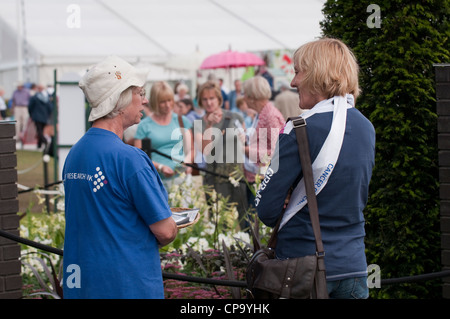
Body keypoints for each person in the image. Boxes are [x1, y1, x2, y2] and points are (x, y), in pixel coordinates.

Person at [255, 38, 375, 299]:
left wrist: (287, 198)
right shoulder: (367, 127)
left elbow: (265, 209)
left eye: (298, 71)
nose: (293, 82)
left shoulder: (298, 128)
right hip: (353, 267)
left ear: (317, 74)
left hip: (303, 271)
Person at [62, 56, 178, 299]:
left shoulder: (75, 153)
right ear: (121, 99)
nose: (145, 99)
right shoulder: (130, 159)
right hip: (127, 284)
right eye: (139, 92)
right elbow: (165, 231)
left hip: (84, 284)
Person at [195, 81, 247, 227]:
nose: (209, 102)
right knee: (220, 221)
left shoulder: (235, 117)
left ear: (219, 98)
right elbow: (205, 150)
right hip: (215, 176)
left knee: (244, 218)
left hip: (237, 173)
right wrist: (210, 126)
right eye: (205, 99)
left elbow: (245, 142)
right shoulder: (199, 123)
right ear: (200, 101)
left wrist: (244, 138)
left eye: (212, 98)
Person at [134, 81, 194, 191]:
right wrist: (160, 167)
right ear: (155, 102)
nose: (167, 105)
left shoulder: (182, 121)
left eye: (169, 100)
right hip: (157, 181)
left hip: (182, 180)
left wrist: (187, 163)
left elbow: (190, 149)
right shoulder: (144, 126)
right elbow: (139, 156)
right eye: (162, 102)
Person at [242, 76, 285, 207]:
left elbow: (276, 153)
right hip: (255, 177)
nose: (243, 98)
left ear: (252, 97)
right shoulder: (262, 113)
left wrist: (246, 150)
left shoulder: (270, 116)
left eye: (245, 94)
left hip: (263, 180)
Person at [28, 84, 53, 149]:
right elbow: (50, 108)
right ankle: (39, 144)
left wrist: (31, 114)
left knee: (39, 131)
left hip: (37, 116)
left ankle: (44, 141)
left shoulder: (35, 97)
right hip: (45, 116)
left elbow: (30, 106)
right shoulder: (47, 97)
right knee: (41, 130)